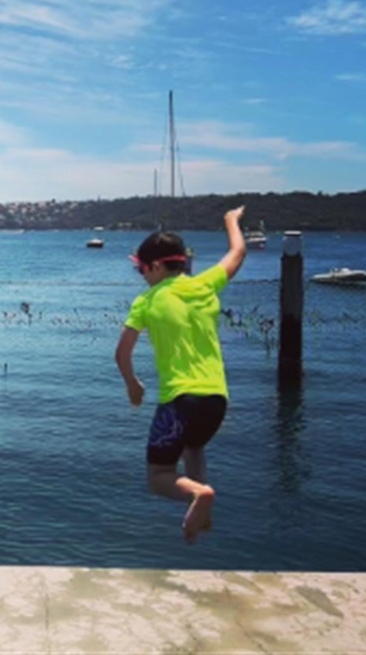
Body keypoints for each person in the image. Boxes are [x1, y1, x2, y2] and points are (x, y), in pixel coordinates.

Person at [114, 206, 247, 544]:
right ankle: (201, 512)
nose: (141, 275)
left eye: (142, 269)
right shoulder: (205, 285)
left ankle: (198, 496)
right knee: (195, 446)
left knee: (159, 476)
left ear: (157, 266)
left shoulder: (146, 300)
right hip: (217, 399)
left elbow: (122, 352)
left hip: (178, 401)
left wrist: (133, 386)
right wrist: (230, 221)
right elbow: (238, 252)